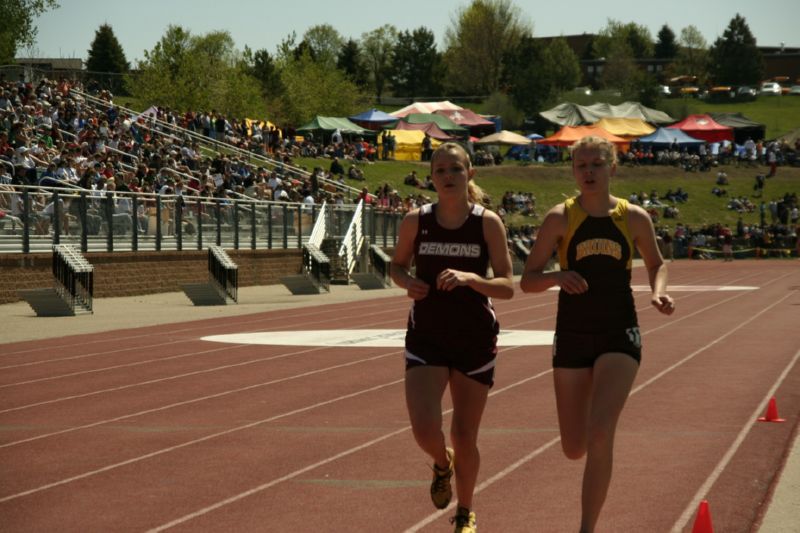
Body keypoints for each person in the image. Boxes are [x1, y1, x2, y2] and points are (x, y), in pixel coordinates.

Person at [520, 136, 675, 533]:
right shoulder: (560, 218)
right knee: (575, 447)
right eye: (581, 165)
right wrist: (557, 276)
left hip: (619, 333)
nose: (588, 172)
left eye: (596, 164)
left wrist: (658, 293)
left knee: (601, 431)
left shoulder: (634, 217)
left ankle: (587, 528)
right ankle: (592, 440)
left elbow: (657, 263)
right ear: (573, 171)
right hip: (572, 334)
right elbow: (528, 280)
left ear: (612, 168)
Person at [390, 142, 513, 533]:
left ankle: (465, 511)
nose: (447, 176)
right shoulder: (416, 221)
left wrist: (471, 279)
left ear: (470, 174)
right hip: (427, 335)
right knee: (425, 429)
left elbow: (508, 285)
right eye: (440, 170)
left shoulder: (487, 222)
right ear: (431, 177)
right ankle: (442, 464)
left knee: (464, 434)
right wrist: (407, 282)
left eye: (455, 169)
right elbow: (396, 266)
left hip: (473, 338)